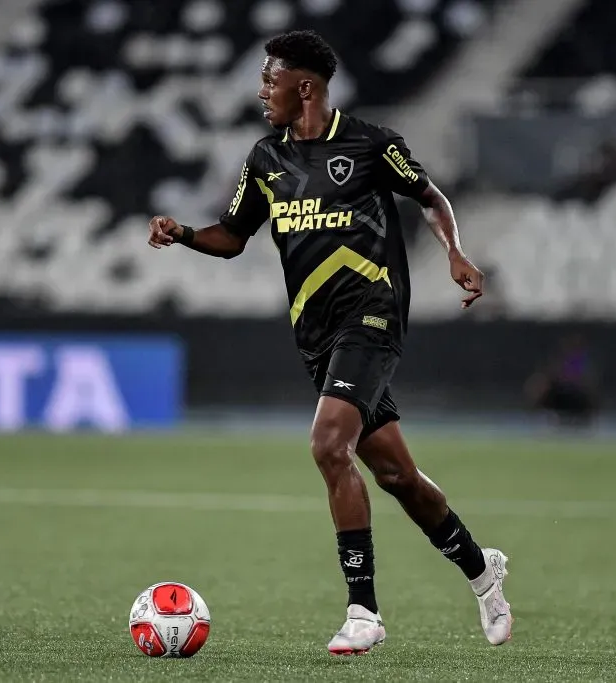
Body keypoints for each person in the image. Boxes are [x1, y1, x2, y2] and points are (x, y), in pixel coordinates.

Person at [146, 31, 512, 654]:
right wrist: (181, 232)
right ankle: (484, 574)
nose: (262, 91)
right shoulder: (265, 159)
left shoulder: (371, 144)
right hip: (316, 337)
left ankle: (364, 612)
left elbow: (430, 197)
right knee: (398, 476)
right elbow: (234, 237)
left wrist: (455, 252)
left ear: (305, 86)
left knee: (326, 444)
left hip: (373, 317)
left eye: (270, 79)